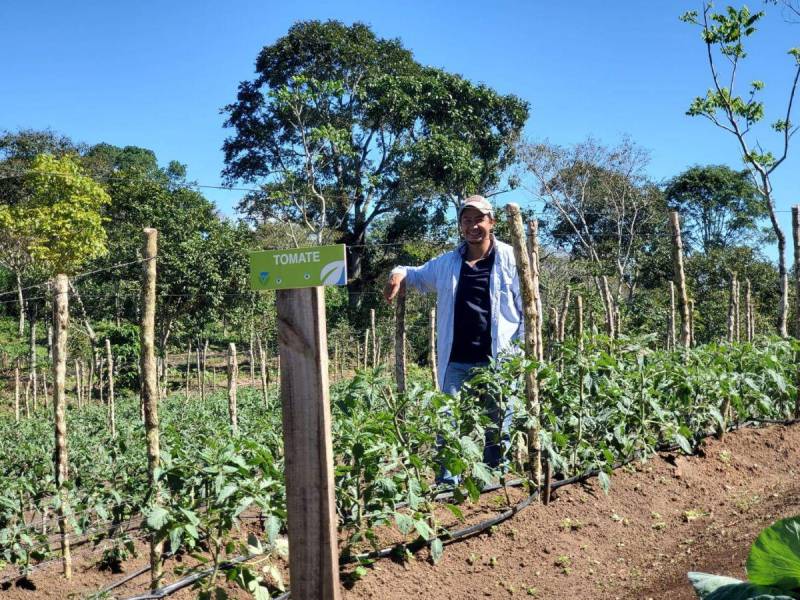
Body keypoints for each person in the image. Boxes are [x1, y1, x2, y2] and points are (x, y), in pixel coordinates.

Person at [383, 194, 524, 479]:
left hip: (499, 359)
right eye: (466, 220)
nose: (473, 226)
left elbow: (529, 308)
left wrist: (522, 352)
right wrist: (396, 275)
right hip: (457, 359)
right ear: (460, 225)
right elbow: (415, 273)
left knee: (498, 425)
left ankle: (495, 482)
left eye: (479, 220)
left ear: (492, 222)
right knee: (447, 424)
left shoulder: (511, 258)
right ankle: (447, 483)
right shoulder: (448, 263)